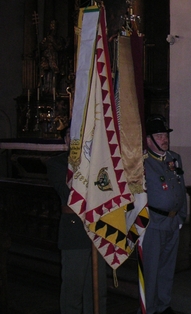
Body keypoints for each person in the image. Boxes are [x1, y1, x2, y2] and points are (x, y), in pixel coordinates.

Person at [47, 125, 107, 314]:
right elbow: (68, 192)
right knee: (73, 291)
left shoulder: (98, 163)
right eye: (71, 137)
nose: (77, 141)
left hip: (98, 229)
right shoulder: (57, 164)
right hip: (75, 231)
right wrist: (81, 163)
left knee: (97, 290)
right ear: (65, 140)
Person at [141, 114, 187, 314]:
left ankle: (163, 305)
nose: (164, 139)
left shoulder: (174, 158)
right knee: (151, 270)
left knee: (167, 268)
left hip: (172, 221)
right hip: (153, 223)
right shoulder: (143, 162)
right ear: (148, 140)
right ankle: (149, 309)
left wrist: (181, 216)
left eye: (165, 135)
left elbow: (181, 187)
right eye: (159, 136)